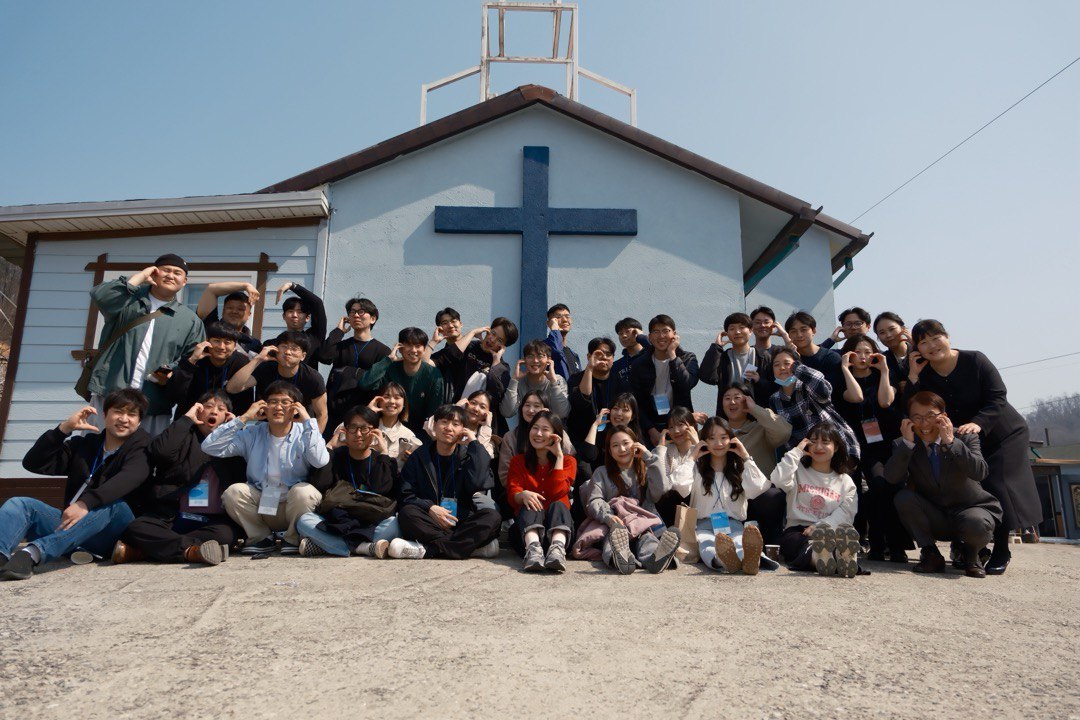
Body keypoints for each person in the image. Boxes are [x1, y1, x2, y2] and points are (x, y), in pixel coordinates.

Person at [905, 319, 1041, 575]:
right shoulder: (924, 374)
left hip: (1001, 434)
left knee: (995, 484)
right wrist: (913, 376)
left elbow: (998, 396)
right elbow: (913, 406)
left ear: (947, 336)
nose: (932, 346)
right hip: (961, 439)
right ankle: (970, 548)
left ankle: (1002, 549)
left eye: (936, 338)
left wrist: (978, 423)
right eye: (923, 343)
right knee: (965, 487)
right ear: (917, 350)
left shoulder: (975, 360)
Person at [0, 390, 151, 580]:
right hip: (71, 528)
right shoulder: (85, 445)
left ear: (139, 421)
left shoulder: (144, 448)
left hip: (114, 534)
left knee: (115, 505)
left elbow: (129, 478)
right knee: (20, 504)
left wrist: (85, 503)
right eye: (118, 411)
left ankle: (33, 553)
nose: (124, 419)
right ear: (105, 414)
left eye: (131, 414)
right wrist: (63, 429)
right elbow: (33, 463)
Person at [113, 391, 245, 566]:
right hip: (171, 516)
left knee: (226, 535)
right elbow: (160, 452)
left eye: (221, 409)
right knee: (136, 528)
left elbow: (244, 469)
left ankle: (144, 552)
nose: (214, 411)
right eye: (208, 406)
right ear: (198, 410)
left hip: (210, 521)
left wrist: (235, 428)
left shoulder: (233, 444)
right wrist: (186, 419)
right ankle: (192, 551)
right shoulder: (183, 435)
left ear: (227, 416)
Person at [202, 381, 330, 555]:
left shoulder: (305, 432)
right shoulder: (252, 433)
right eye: (273, 402)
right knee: (234, 492)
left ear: (295, 408)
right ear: (263, 407)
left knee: (304, 492)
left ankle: (292, 538)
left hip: (293, 508)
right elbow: (209, 446)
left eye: (285, 402)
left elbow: (320, 460)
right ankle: (261, 538)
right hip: (262, 505)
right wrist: (244, 418)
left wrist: (308, 421)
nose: (278, 407)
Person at [885, 391, 1001, 578]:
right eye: (917, 417)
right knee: (903, 498)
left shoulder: (965, 437)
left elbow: (980, 472)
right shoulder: (904, 444)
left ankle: (972, 556)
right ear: (909, 420)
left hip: (971, 510)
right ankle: (930, 554)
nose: (924, 424)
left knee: (976, 523)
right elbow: (891, 477)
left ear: (944, 417)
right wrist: (907, 444)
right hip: (936, 515)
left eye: (930, 416)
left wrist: (951, 442)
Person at [85, 255, 206, 435]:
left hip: (153, 405)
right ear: (154, 273)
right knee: (96, 447)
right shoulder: (127, 301)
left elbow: (190, 360)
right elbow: (100, 296)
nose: (170, 275)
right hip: (110, 397)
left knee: (146, 452)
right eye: (165, 270)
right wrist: (139, 277)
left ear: (184, 281)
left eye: (177, 273)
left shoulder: (190, 321)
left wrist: (167, 373)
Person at [391, 405, 502, 560]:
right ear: (434, 425)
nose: (449, 428)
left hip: (459, 518)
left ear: (463, 429)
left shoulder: (468, 456)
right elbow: (405, 495)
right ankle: (466, 547)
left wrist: (474, 443)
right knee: (407, 514)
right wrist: (430, 507)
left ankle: (429, 549)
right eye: (444, 422)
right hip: (429, 518)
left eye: (455, 424)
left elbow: (479, 482)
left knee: (492, 517)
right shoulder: (419, 457)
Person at [837, 334, 909, 562]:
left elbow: (886, 401)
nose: (863, 357)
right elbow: (856, 397)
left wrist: (885, 370)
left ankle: (894, 545)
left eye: (868, 352)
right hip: (858, 445)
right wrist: (845, 369)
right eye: (857, 352)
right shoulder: (841, 378)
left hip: (888, 443)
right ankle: (875, 544)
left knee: (889, 489)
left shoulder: (885, 375)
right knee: (869, 488)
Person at [295, 406, 401, 559]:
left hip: (371, 521)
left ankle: (328, 546)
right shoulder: (336, 456)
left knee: (395, 524)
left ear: (375, 432)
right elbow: (320, 483)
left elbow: (382, 488)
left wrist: (384, 452)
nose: (358, 434)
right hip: (338, 522)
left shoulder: (382, 460)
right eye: (353, 428)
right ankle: (363, 548)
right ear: (344, 431)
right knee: (304, 521)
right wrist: (329, 447)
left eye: (364, 428)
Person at [581, 425, 681, 574]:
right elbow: (594, 501)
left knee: (648, 540)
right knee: (612, 542)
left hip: (641, 525)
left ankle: (655, 559)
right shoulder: (601, 472)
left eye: (626, 443)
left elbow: (661, 489)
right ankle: (621, 559)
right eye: (615, 445)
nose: (622, 449)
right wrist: (608, 517)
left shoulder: (645, 470)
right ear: (609, 450)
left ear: (636, 444)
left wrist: (648, 457)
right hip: (615, 525)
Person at [770, 422, 861, 578]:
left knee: (831, 543)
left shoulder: (845, 481)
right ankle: (823, 558)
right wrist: (796, 452)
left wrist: (820, 528)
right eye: (813, 441)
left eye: (825, 442)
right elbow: (777, 480)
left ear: (836, 447)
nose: (818, 447)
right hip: (798, 531)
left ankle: (842, 556)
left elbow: (846, 513)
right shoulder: (797, 470)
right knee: (799, 545)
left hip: (831, 532)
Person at [686, 417, 770, 575]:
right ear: (704, 441)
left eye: (723, 437)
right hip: (704, 525)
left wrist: (745, 456)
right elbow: (679, 485)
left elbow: (759, 487)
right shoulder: (696, 468)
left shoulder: (740, 468)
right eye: (712, 438)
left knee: (740, 542)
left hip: (734, 524)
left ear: (731, 439)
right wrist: (692, 456)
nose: (718, 443)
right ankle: (723, 560)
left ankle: (750, 560)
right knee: (707, 544)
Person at [718, 382, 791, 544]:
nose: (732, 402)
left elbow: (784, 431)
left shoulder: (760, 428)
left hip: (758, 496)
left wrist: (755, 409)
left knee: (774, 496)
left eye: (737, 397)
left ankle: (771, 546)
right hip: (726, 497)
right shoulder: (716, 432)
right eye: (727, 398)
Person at [506, 410, 576, 572]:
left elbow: (558, 492)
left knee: (559, 504)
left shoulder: (568, 461)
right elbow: (512, 494)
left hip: (559, 533)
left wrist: (559, 457)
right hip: (526, 536)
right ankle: (534, 551)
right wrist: (522, 495)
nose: (538, 434)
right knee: (531, 502)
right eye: (535, 428)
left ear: (555, 435)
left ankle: (557, 550)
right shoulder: (518, 461)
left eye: (545, 429)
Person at [768, 347, 861, 461]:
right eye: (776, 365)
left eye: (787, 363)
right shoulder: (774, 400)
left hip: (838, 449)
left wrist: (797, 368)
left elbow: (822, 390)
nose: (782, 368)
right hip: (808, 459)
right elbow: (786, 435)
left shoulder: (808, 385)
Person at [226, 331, 329, 433]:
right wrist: (258, 359)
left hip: (299, 427)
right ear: (276, 349)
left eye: (294, 349)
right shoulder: (265, 368)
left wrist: (315, 440)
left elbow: (322, 414)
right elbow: (232, 388)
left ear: (303, 356)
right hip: (268, 425)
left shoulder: (312, 378)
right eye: (284, 346)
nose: (288, 352)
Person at [318, 297, 392, 430]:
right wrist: (339, 332)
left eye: (361, 312)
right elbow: (324, 357)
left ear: (373, 319)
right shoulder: (341, 346)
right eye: (352, 312)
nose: (356, 315)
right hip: (335, 414)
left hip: (365, 416)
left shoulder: (382, 351)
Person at [360, 327, 445, 436]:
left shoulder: (434, 374)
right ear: (400, 348)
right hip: (386, 428)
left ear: (424, 349)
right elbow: (365, 384)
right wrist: (389, 359)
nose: (413, 350)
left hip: (420, 432)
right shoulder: (390, 368)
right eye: (408, 345)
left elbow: (434, 412)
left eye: (418, 346)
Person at [630, 314, 699, 446]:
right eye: (656, 332)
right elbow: (637, 401)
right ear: (650, 337)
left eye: (666, 331)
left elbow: (687, 384)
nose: (661, 336)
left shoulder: (687, 358)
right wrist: (651, 431)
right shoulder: (639, 364)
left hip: (681, 425)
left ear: (674, 334)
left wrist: (673, 355)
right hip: (650, 427)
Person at [165, 321, 254, 419]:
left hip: (226, 422)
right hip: (191, 420)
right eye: (216, 341)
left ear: (235, 345)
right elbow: (174, 395)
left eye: (227, 342)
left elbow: (245, 401)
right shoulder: (193, 358)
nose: (221, 347)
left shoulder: (241, 362)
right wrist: (192, 361)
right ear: (207, 341)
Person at [498, 391, 575, 491]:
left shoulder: (557, 434)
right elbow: (505, 476)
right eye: (527, 405)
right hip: (523, 493)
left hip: (554, 489)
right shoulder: (510, 437)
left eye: (536, 406)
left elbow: (569, 458)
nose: (531, 410)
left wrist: (550, 422)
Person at [700, 312, 776, 411]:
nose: (737, 332)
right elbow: (707, 377)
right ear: (727, 334)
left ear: (750, 330)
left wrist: (759, 380)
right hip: (729, 415)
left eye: (742, 327)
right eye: (732, 328)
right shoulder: (723, 357)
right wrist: (716, 347)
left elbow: (774, 389)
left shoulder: (763, 357)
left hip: (756, 415)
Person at [441, 318, 516, 418]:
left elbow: (495, 396)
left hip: (477, 419)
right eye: (493, 333)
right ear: (488, 330)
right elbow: (446, 359)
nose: (492, 340)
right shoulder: (468, 346)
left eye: (499, 340)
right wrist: (472, 333)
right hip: (452, 411)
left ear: (503, 347)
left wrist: (496, 361)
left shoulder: (501, 367)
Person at [648, 407, 700, 527]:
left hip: (698, 507)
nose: (676, 431)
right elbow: (658, 487)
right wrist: (660, 447)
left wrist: (697, 443)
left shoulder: (703, 448)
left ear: (692, 426)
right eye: (671, 427)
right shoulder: (664, 451)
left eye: (680, 425)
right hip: (670, 511)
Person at [784, 311, 846, 404]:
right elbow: (784, 385)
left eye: (803, 329)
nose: (799, 335)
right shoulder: (787, 361)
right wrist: (793, 359)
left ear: (814, 331)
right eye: (793, 331)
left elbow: (828, 393)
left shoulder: (831, 358)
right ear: (789, 335)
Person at [567, 337, 619, 448]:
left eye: (608, 354)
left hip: (610, 442)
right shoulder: (575, 379)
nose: (604, 357)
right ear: (589, 356)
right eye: (599, 354)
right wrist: (590, 367)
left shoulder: (619, 381)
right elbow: (581, 401)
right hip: (581, 440)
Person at [500, 339, 569, 419]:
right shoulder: (519, 382)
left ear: (549, 360)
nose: (535, 361)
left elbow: (562, 413)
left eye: (540, 356)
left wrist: (553, 382)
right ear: (524, 360)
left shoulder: (558, 380)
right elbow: (507, 413)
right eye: (530, 356)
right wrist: (514, 380)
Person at [366, 382, 420, 471]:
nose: (391, 401)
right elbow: (345, 432)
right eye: (386, 396)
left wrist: (411, 462)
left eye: (397, 397)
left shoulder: (409, 435)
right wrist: (367, 413)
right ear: (379, 401)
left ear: (404, 403)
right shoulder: (367, 427)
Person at [195, 282, 262, 354]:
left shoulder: (255, 344)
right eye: (230, 308)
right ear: (223, 311)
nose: (234, 311)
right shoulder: (210, 326)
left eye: (240, 309)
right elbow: (211, 290)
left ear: (249, 314)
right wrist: (246, 285)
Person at [425, 391, 496, 458]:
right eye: (473, 403)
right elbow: (429, 428)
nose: (476, 409)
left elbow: (482, 458)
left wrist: (487, 427)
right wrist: (455, 409)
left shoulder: (488, 440)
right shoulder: (450, 428)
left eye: (482, 407)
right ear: (466, 404)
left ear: (488, 414)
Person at [276, 281, 327, 370]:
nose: (294, 315)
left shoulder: (314, 337)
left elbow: (317, 303)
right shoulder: (277, 342)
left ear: (307, 317)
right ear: (284, 316)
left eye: (299, 312)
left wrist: (292, 286)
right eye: (290, 311)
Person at [428, 307, 464, 403]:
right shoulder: (441, 357)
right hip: (450, 408)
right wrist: (433, 342)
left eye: (453, 321)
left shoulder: (475, 348)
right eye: (445, 323)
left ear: (461, 324)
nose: (450, 325)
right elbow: (423, 366)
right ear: (440, 329)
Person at [873, 311, 912, 392]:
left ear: (903, 328)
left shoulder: (921, 352)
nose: (888, 335)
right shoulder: (880, 361)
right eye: (882, 332)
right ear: (878, 337)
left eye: (892, 329)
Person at [611, 317, 649, 392]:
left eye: (627, 331)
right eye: (620, 333)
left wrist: (641, 337)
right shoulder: (616, 366)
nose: (624, 336)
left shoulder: (651, 355)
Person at [544, 303, 580, 379]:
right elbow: (557, 351)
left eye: (567, 316)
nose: (565, 320)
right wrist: (554, 330)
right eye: (558, 317)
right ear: (549, 323)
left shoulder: (574, 355)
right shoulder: (542, 347)